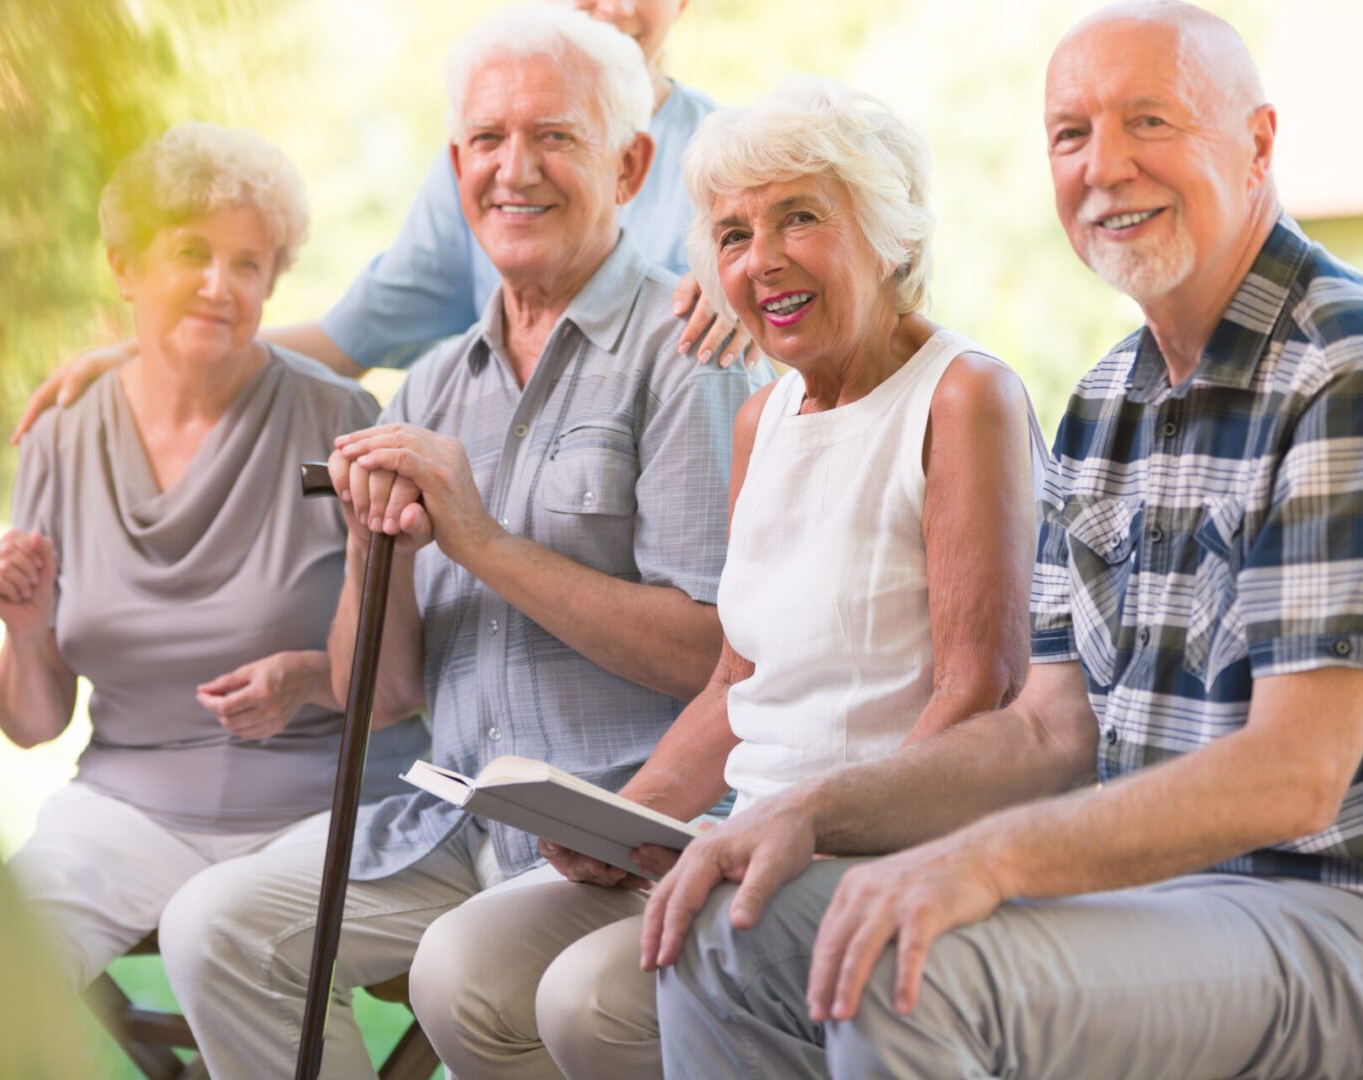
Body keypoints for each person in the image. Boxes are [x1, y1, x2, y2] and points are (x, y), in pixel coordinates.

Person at [644, 4, 1363, 1078]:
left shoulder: (1356, 362)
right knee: (725, 922)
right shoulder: (1109, 398)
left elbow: (1294, 777)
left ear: (1257, 143)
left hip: (1358, 922)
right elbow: (1043, 736)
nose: (1105, 166)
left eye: (1149, 122)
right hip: (1171, 911)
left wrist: (979, 859)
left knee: (904, 967)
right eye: (1071, 134)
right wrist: (805, 816)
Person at [144, 8, 766, 1077]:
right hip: (454, 828)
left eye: (554, 138)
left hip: (626, 834)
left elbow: (710, 652)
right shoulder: (431, 384)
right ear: (456, 162)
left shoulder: (689, 353)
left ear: (630, 163)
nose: (513, 170)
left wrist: (475, 539)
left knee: (468, 978)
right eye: (488, 140)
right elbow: (378, 696)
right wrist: (367, 548)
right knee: (215, 929)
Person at [405, 77, 1048, 1080]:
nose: (764, 260)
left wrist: (828, 833)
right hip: (735, 831)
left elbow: (979, 695)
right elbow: (734, 681)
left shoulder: (964, 397)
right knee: (462, 966)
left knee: (593, 1001)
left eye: (801, 219)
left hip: (871, 851)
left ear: (886, 233)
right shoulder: (764, 418)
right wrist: (632, 823)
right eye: (734, 234)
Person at [0, 122, 426, 991]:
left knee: (220, 939)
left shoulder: (338, 421)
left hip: (316, 807)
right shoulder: (60, 437)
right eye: (191, 253)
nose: (219, 286)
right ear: (125, 265)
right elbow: (33, 723)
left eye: (248, 263)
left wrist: (302, 677)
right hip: (124, 811)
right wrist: (27, 632)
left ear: (273, 279)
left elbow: (397, 677)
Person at [8, 0, 750, 445]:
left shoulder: (737, 163)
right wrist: (163, 353)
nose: (612, 3)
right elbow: (345, 339)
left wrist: (757, 302)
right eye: (492, 141)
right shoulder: (482, 171)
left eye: (556, 138)